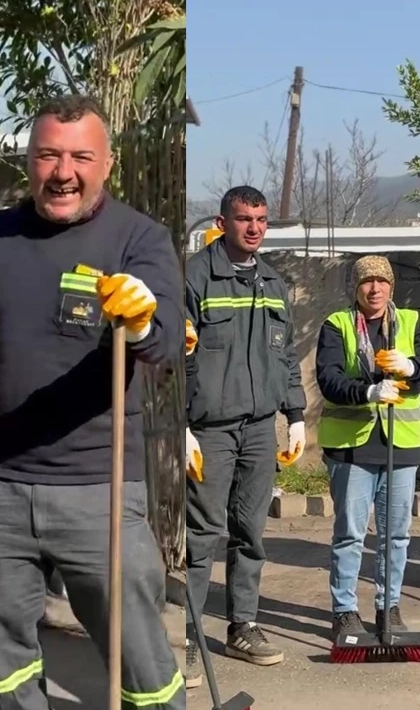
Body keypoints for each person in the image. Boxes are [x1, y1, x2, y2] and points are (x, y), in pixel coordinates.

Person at [0, 95, 185, 710]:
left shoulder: (140, 238)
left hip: (98, 489)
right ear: (28, 161)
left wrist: (140, 321)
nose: (63, 171)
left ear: (108, 163)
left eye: (81, 156)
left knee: (140, 658)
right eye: (48, 154)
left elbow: (164, 343)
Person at [183, 185, 306, 682]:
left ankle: (243, 626)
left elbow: (286, 353)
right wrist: (180, 425)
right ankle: (188, 636)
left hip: (258, 428)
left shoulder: (273, 282)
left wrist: (295, 414)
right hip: (208, 430)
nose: (253, 228)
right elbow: (169, 358)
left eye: (261, 220)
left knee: (250, 532)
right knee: (202, 536)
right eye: (243, 219)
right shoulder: (195, 278)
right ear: (222, 221)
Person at [315, 255, 420, 639]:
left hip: (400, 447)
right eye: (366, 282)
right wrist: (367, 390)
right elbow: (328, 378)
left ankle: (389, 607)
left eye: (382, 282)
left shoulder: (411, 323)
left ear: (391, 287)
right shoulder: (337, 325)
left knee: (395, 535)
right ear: (355, 288)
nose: (375, 289)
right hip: (351, 448)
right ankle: (345, 611)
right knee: (351, 534)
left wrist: (412, 367)